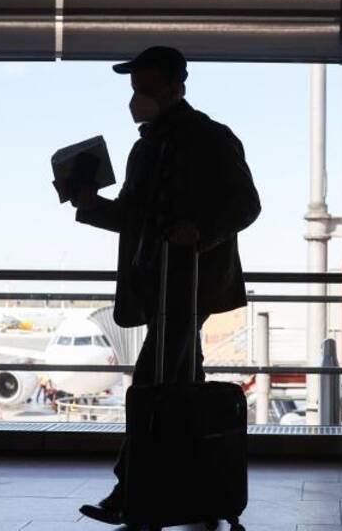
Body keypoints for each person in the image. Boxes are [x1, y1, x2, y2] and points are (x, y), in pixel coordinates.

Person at [68, 46, 260, 525]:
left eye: (147, 89)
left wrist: (200, 231)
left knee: (151, 386)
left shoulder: (211, 139)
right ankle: (197, 487)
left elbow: (247, 204)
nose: (138, 99)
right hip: (156, 287)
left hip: (188, 287)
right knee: (179, 387)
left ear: (177, 88)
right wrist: (90, 204)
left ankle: (131, 490)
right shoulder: (146, 147)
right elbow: (135, 219)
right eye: (136, 90)